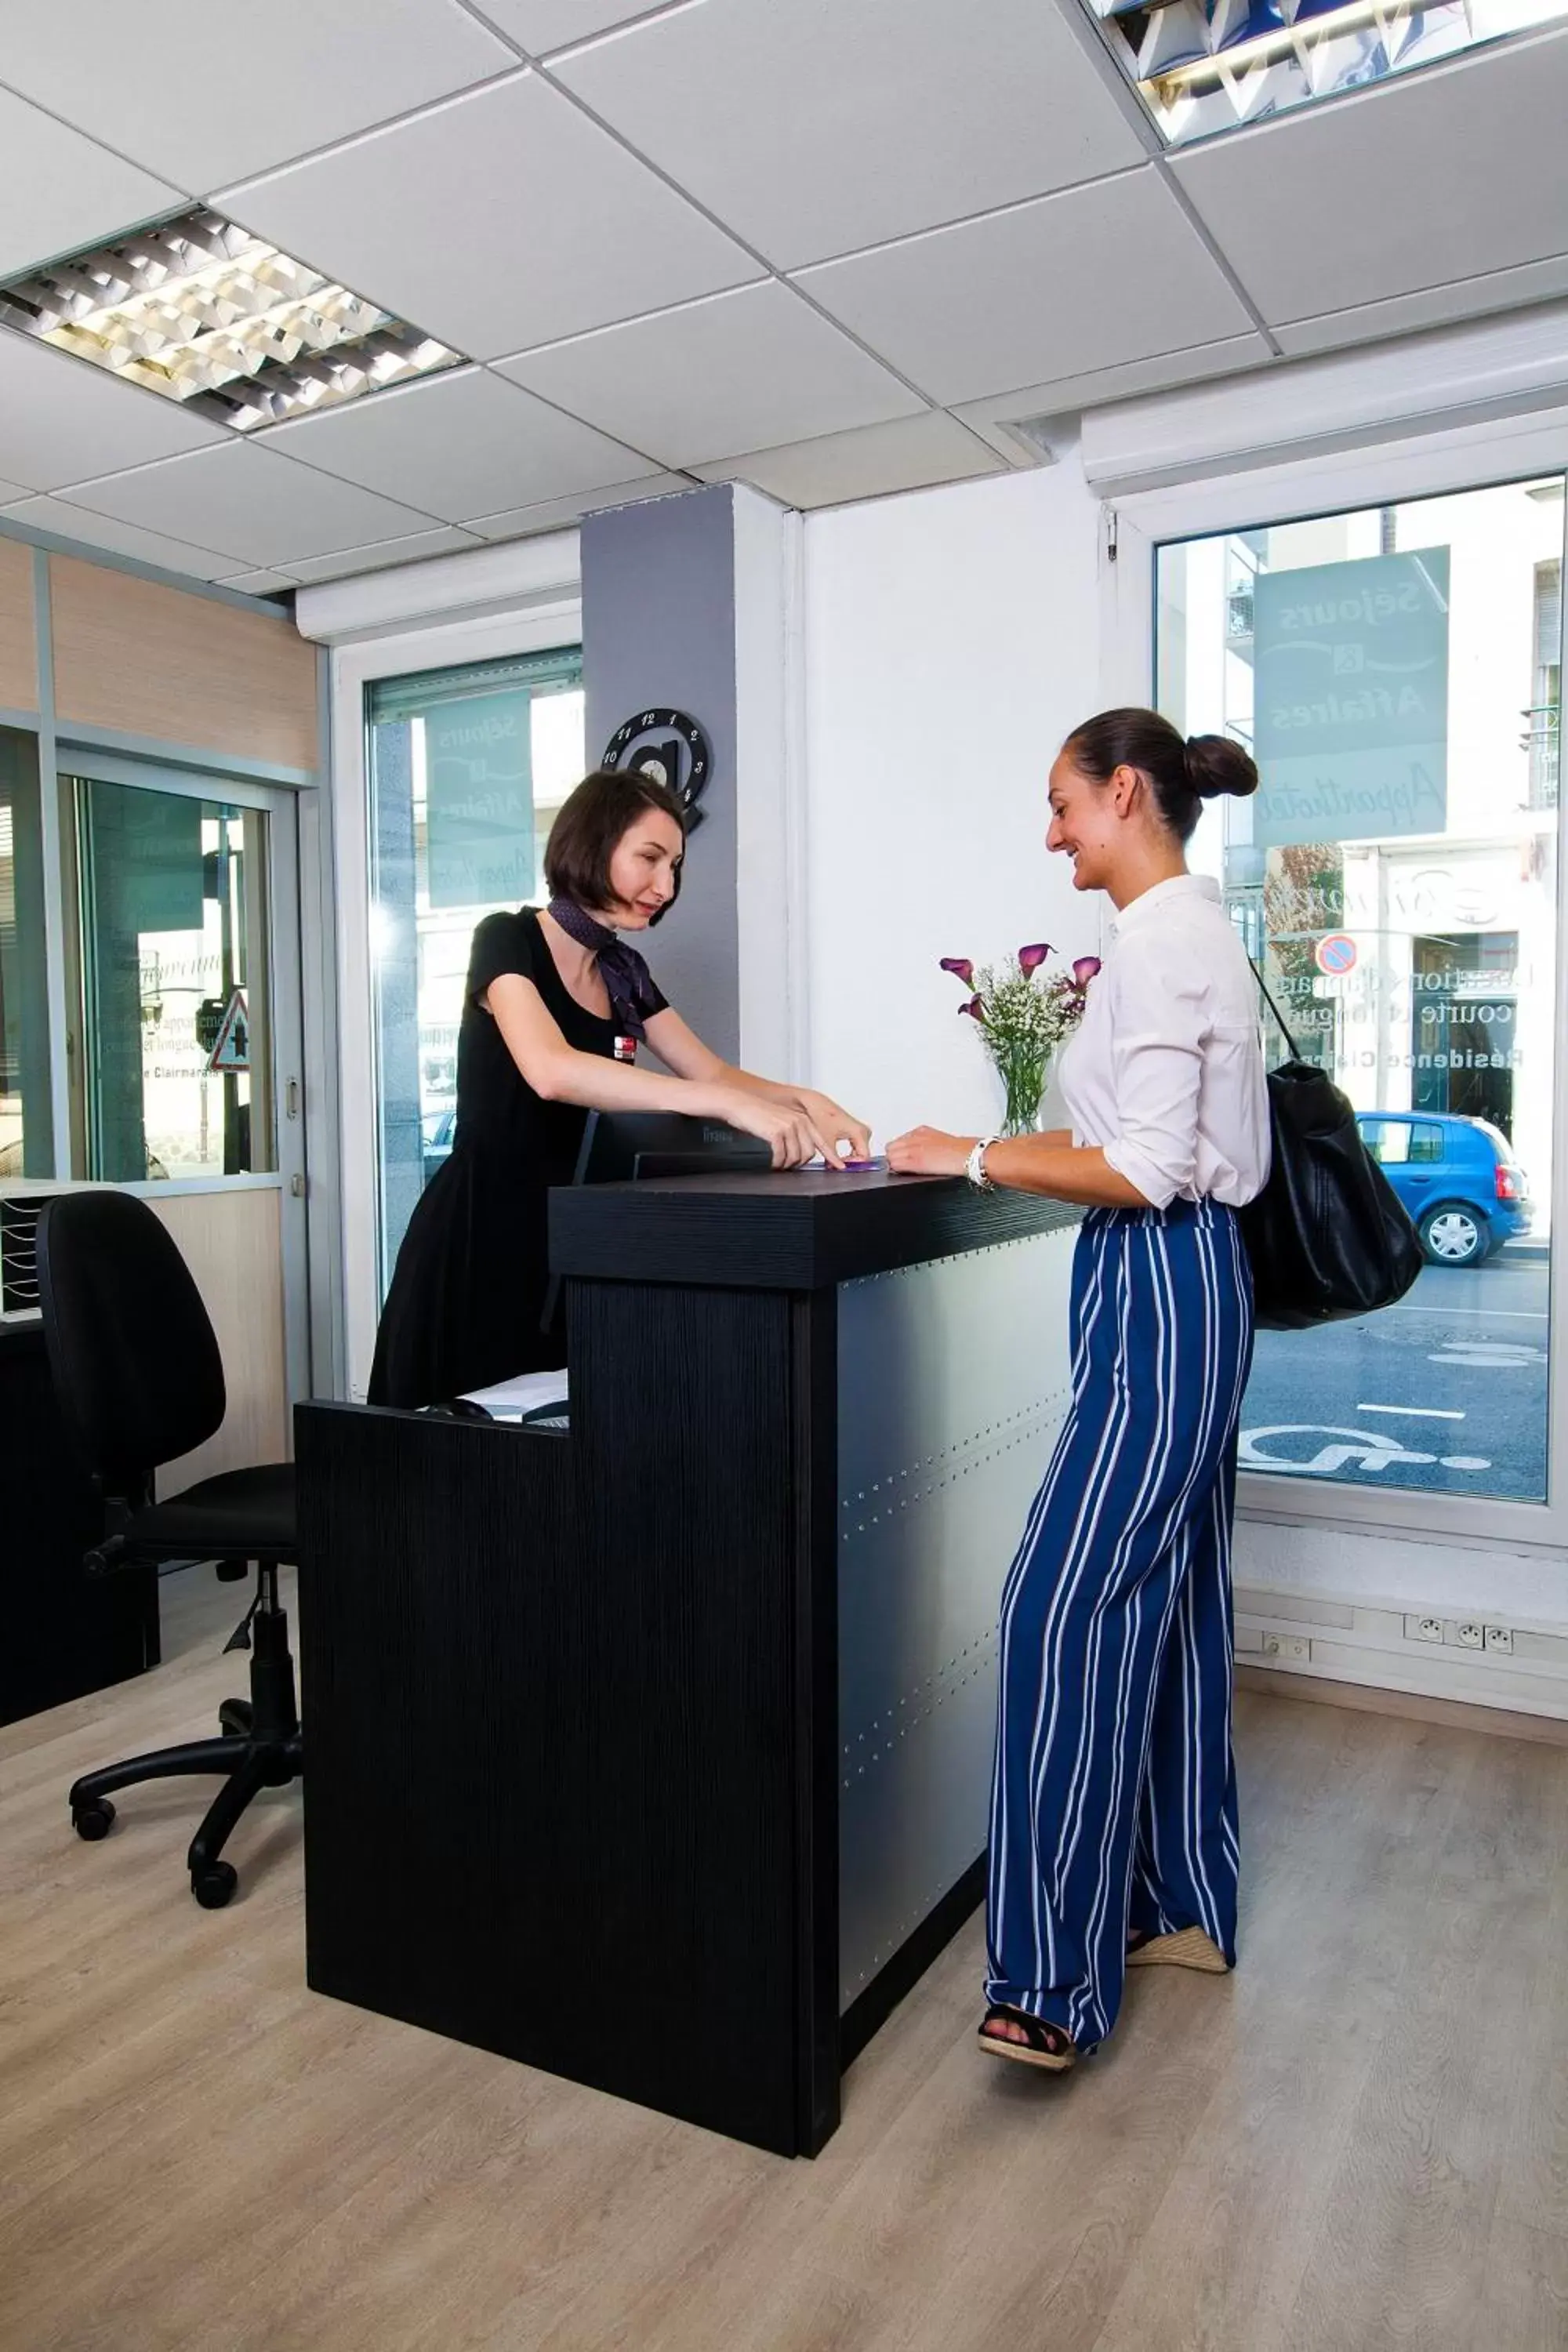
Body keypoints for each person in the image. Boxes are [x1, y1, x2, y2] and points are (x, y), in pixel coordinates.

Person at [886, 708, 1270, 2073]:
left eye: (1061, 805)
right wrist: (962, 1147)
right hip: (1172, 1282)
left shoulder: (1167, 945)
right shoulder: (1169, 939)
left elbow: (1150, 1167)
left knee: (1057, 1604)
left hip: (1163, 1273)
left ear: (1123, 794)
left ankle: (1048, 1980)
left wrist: (978, 1156)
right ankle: (1181, 1903)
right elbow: (1121, 1135)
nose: (1049, 833)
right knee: (1163, 1592)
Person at [370, 768, 869, 1410]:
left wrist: (807, 1102)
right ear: (593, 841)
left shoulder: (624, 971)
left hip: (573, 1239)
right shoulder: (507, 938)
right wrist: (724, 1104)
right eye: (650, 858)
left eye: (675, 867)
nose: (665, 887)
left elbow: (711, 1073)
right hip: (481, 1237)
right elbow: (551, 1070)